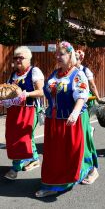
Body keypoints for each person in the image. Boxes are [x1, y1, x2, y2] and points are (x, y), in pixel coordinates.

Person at [35, 41, 98, 198]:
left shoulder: (78, 74)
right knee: (53, 154)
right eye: (56, 54)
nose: (58, 56)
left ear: (70, 56)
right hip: (53, 120)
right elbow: (48, 92)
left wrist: (75, 113)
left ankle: (60, 185)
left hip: (69, 120)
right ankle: (53, 180)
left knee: (67, 154)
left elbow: (82, 96)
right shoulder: (54, 74)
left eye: (61, 54)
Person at [4, 46, 44, 180]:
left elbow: (41, 92)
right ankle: (35, 159)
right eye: (16, 58)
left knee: (22, 137)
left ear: (28, 59)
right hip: (13, 110)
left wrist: (26, 94)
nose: (18, 60)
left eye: (21, 57)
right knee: (11, 137)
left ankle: (16, 167)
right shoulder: (13, 74)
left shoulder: (34, 71)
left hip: (29, 109)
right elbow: (8, 92)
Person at [75, 49, 100, 136]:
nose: (74, 61)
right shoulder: (69, 70)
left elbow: (92, 85)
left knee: (83, 118)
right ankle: (88, 129)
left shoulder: (85, 70)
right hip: (73, 98)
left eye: (76, 59)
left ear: (80, 59)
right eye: (73, 58)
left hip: (86, 99)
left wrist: (98, 98)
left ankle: (87, 131)